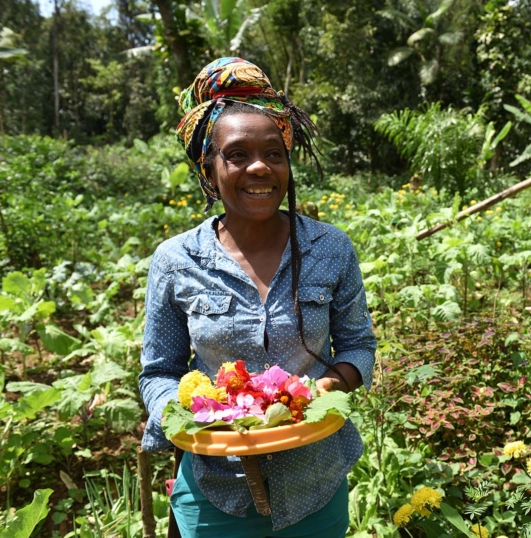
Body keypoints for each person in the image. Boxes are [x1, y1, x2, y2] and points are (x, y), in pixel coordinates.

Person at [138, 57, 376, 538]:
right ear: (209, 167)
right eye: (237, 154)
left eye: (274, 152)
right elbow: (159, 371)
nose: (260, 166)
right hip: (216, 485)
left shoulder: (330, 248)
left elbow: (358, 346)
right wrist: (188, 416)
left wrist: (330, 385)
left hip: (316, 478)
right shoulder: (176, 259)